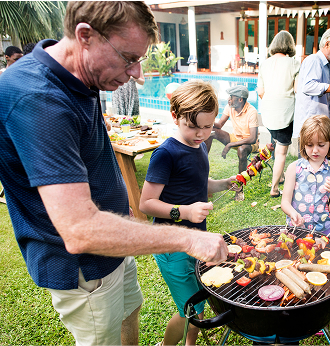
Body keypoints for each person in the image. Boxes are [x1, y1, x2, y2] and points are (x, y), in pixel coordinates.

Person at [0, 2, 228, 345]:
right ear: (85, 36)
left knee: (128, 314)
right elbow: (80, 230)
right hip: (84, 266)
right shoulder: (40, 100)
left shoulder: (78, 75)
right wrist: (189, 237)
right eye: (129, 58)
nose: (137, 73)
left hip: (115, 246)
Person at [139, 80, 240, 346]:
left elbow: (199, 185)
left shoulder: (199, 147)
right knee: (190, 311)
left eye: (207, 127)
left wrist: (225, 183)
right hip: (171, 248)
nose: (201, 134)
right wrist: (184, 212)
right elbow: (146, 203)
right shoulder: (166, 154)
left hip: (196, 243)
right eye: (193, 126)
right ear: (175, 115)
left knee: (197, 304)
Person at [281, 114, 330, 237]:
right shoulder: (294, 168)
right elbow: (285, 202)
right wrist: (293, 214)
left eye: (321, 145)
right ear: (303, 144)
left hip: (324, 232)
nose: (315, 150)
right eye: (309, 145)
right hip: (297, 230)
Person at [293, 27, 330, 147]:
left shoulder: (326, 66)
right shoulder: (314, 60)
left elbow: (324, 97)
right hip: (310, 129)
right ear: (327, 44)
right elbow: (308, 87)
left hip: (320, 128)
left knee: (329, 163)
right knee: (310, 166)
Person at [257, 30, 301, 198]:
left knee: (276, 144)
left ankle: (280, 176)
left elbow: (261, 91)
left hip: (268, 112)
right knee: (282, 151)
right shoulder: (294, 63)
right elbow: (297, 90)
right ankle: (274, 189)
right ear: (290, 45)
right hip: (285, 112)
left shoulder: (265, 64)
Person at [205, 85, 259, 201]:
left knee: (242, 149)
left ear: (240, 99)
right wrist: (205, 120)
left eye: (231, 97)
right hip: (235, 139)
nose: (229, 99)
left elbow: (253, 138)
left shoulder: (252, 112)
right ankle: (203, 170)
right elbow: (219, 125)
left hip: (249, 143)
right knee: (212, 132)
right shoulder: (230, 107)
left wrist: (229, 145)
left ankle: (239, 189)